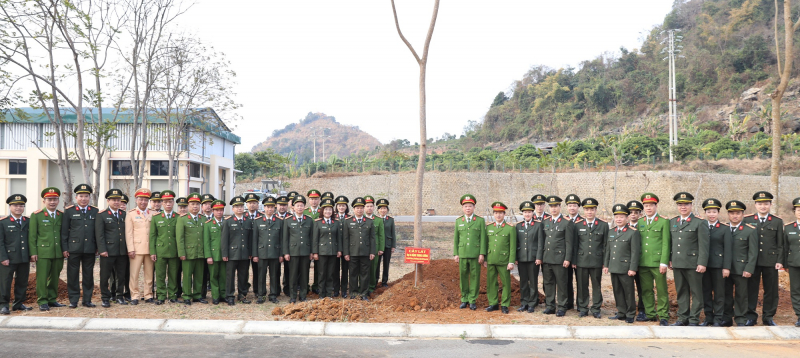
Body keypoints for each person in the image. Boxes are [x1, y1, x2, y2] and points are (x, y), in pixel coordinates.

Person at [743, 191, 784, 326]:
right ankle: (751, 316)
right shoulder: (747, 220)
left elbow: (780, 244)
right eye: (760, 204)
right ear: (755, 205)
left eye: (766, 204)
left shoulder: (777, 221)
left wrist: (779, 260)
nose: (763, 206)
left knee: (771, 290)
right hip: (752, 262)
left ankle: (768, 317)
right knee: (751, 289)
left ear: (770, 204)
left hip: (770, 261)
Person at [669, 192, 710, 326]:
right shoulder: (673, 222)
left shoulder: (700, 223)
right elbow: (671, 243)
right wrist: (670, 258)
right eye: (680, 205)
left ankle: (694, 319)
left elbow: (704, 245)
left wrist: (702, 263)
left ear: (691, 205)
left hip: (693, 264)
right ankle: (682, 318)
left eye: (686, 204)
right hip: (677, 263)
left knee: (697, 293)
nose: (683, 207)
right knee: (681, 292)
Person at [61, 184, 99, 308]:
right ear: (76, 197)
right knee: (72, 275)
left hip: (90, 248)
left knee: (88, 275)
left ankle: (87, 300)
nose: (83, 199)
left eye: (86, 196)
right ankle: (73, 300)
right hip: (73, 249)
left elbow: (98, 231)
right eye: (81, 196)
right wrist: (65, 248)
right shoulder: (69, 211)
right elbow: (64, 231)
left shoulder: (95, 211)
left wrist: (98, 247)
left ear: (90, 198)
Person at [637, 193, 671, 326]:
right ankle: (650, 314)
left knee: (661, 290)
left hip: (658, 262)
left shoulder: (663, 221)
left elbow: (666, 243)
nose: (648, 208)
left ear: (656, 206)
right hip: (643, 262)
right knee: (646, 290)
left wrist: (664, 262)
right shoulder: (640, 222)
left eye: (651, 205)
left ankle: (663, 315)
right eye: (646, 206)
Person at [722, 200, 757, 326]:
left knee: (741, 295)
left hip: (741, 268)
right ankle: (726, 318)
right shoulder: (723, 228)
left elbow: (753, 252)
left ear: (743, 214)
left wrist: (749, 268)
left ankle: (741, 318)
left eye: (738, 213)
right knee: (726, 294)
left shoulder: (750, 230)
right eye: (732, 213)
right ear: (728, 215)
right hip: (725, 268)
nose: (734, 216)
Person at [29, 187, 65, 311]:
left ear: (58, 200)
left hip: (58, 252)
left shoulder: (61, 215)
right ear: (44, 201)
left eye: (55, 199)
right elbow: (32, 235)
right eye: (49, 199)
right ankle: (42, 300)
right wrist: (33, 252)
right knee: (42, 277)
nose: (52, 202)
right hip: (43, 252)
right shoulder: (36, 215)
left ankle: (52, 299)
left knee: (55, 276)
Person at [604, 204, 641, 324]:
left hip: (626, 268)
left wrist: (633, 268)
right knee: (617, 291)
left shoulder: (632, 232)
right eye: (617, 217)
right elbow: (608, 250)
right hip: (614, 266)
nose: (619, 219)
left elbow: (635, 252)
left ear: (627, 218)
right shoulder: (611, 232)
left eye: (621, 217)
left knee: (628, 292)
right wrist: (606, 265)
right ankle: (621, 312)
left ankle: (630, 314)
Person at [538, 195, 574, 317]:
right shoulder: (545, 222)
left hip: (560, 259)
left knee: (562, 284)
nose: (553, 209)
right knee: (548, 283)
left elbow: (569, 243)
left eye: (556, 206)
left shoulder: (566, 222)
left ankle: (562, 307)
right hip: (547, 258)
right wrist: (541, 257)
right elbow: (542, 241)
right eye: (551, 206)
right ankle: (550, 306)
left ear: (560, 207)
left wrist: (568, 258)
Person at [574, 198, 607, 319]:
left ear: (595, 210)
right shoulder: (578, 225)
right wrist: (574, 261)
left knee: (596, 286)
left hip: (596, 261)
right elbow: (575, 245)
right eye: (587, 209)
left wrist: (605, 262)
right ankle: (583, 308)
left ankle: (596, 308)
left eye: (592, 209)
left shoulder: (603, 225)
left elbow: (605, 245)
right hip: (581, 260)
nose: (589, 212)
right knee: (582, 285)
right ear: (583, 210)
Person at [701, 198, 732, 326]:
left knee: (719, 293)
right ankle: (708, 317)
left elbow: (728, 250)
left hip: (719, 266)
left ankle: (718, 318)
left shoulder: (724, 228)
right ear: (705, 213)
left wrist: (726, 267)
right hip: (704, 265)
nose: (711, 214)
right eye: (709, 212)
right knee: (706, 292)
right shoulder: (701, 226)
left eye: (714, 212)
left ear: (718, 213)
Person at [95, 189, 128, 308]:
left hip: (121, 250)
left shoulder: (124, 214)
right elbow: (100, 234)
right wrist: (102, 249)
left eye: (118, 200)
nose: (116, 202)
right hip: (107, 251)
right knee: (105, 275)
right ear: (108, 201)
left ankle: (119, 296)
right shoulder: (102, 215)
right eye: (114, 200)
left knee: (121, 275)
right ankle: (105, 297)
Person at [0, 194, 32, 314]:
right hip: (8, 258)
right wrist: (3, 257)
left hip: (24, 256)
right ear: (10, 207)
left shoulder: (28, 221)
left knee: (22, 281)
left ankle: (18, 303)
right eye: (15, 205)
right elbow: (0, 242)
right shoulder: (3, 222)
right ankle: (3, 304)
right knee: (5, 282)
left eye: (21, 205)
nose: (18, 208)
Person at [453, 194, 486, 310]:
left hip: (475, 254)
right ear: (463, 208)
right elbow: (456, 239)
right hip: (462, 254)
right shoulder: (458, 221)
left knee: (475, 277)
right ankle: (464, 299)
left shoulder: (480, 221)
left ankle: (472, 300)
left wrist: (482, 254)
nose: (468, 208)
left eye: (470, 206)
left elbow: (483, 238)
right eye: (466, 206)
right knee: (463, 277)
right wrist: (456, 254)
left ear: (474, 207)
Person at [484, 202, 516, 314]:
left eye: (500, 213)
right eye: (496, 213)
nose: (498, 215)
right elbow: (486, 244)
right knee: (491, 282)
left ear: (504, 214)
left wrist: (511, 261)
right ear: (493, 214)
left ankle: (505, 304)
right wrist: (485, 259)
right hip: (491, 259)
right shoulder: (488, 227)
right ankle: (493, 303)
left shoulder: (510, 228)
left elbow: (512, 247)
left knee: (506, 283)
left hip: (504, 261)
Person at [150, 190, 180, 304]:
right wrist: (152, 252)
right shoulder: (156, 217)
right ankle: (161, 296)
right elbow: (153, 236)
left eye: (170, 201)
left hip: (174, 251)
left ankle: (172, 295)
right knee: (160, 275)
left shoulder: (178, 217)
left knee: (173, 275)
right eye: (166, 201)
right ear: (162, 203)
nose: (168, 204)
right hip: (160, 251)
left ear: (173, 203)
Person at [343, 197, 376, 301]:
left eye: (361, 208)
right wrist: (346, 253)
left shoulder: (369, 221)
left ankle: (364, 293)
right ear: (353, 209)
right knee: (352, 273)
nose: (360, 210)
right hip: (352, 252)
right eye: (357, 208)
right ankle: (353, 293)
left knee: (365, 274)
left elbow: (372, 238)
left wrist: (372, 252)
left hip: (365, 252)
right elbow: (346, 239)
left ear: (364, 209)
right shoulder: (348, 221)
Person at [221, 196, 253, 305]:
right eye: (237, 207)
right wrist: (224, 253)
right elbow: (224, 239)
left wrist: (251, 253)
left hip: (244, 253)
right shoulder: (228, 222)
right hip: (232, 254)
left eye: (241, 206)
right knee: (230, 276)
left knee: (243, 275)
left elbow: (250, 239)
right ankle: (230, 296)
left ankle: (242, 295)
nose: (239, 208)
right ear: (233, 209)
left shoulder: (248, 221)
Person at [126, 188, 155, 305]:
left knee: (149, 274)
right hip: (136, 249)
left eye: (145, 200)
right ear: (136, 200)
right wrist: (130, 249)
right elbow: (129, 233)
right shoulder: (131, 214)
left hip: (150, 249)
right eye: (141, 199)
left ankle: (148, 295)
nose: (143, 202)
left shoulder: (153, 213)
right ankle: (135, 295)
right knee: (134, 274)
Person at [282, 195, 313, 303]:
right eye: (297, 205)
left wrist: (312, 252)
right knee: (293, 275)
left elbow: (312, 237)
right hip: (293, 252)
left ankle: (303, 295)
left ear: (305, 207)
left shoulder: (309, 220)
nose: (299, 207)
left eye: (301, 205)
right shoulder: (288, 220)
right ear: (293, 207)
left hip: (305, 251)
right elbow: (285, 238)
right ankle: (293, 296)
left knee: (305, 275)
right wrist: (286, 252)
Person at [177, 193, 207, 305]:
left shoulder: (203, 219)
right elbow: (180, 238)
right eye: (192, 204)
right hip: (188, 253)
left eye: (197, 204)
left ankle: (197, 295)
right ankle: (186, 296)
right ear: (188, 205)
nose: (195, 206)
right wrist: (181, 252)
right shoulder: (183, 219)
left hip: (200, 252)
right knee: (187, 275)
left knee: (199, 275)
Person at [252, 196, 283, 304]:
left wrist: (281, 254)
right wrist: (255, 254)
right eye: (267, 207)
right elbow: (255, 239)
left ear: (274, 208)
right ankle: (261, 295)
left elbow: (282, 239)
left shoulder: (280, 221)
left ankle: (273, 295)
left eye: (271, 207)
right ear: (264, 208)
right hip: (262, 253)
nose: (270, 209)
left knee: (274, 275)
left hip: (275, 253)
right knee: (261, 275)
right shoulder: (257, 221)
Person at [515, 201, 543, 313]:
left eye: (529, 212)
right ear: (522, 213)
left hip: (533, 258)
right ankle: (524, 302)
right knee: (523, 282)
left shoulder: (538, 225)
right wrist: (516, 258)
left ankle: (532, 303)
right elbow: (516, 243)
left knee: (533, 281)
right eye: (525, 212)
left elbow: (540, 243)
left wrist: (539, 257)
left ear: (533, 213)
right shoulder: (518, 226)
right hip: (521, 258)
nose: (527, 214)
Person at [312, 198, 341, 299]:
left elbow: (339, 238)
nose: (328, 211)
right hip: (322, 252)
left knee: (330, 274)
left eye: (330, 210)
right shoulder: (318, 222)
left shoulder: (336, 223)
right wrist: (315, 252)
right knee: (322, 273)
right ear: (322, 211)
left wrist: (339, 250)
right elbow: (315, 239)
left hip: (333, 251)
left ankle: (328, 294)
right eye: (326, 210)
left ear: (332, 211)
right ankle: (321, 293)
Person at [203, 200, 226, 305]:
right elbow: (206, 241)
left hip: (224, 255)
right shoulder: (208, 224)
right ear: (213, 211)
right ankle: (215, 296)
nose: (219, 212)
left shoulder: (226, 222)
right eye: (217, 210)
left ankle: (223, 295)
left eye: (221, 210)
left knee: (223, 276)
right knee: (213, 277)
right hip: (213, 255)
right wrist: (208, 256)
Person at [626, 200, 647, 321]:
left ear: (640, 214)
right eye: (630, 212)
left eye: (636, 212)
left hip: (641, 262)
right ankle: (628, 309)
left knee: (642, 288)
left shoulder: (644, 226)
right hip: (627, 263)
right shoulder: (624, 227)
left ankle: (642, 310)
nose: (633, 214)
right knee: (628, 289)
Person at [363, 195, 385, 294]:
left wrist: (381, 248)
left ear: (374, 207)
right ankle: (362, 286)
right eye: (367, 206)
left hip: (374, 248)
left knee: (373, 268)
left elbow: (381, 235)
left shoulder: (378, 220)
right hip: (362, 248)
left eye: (371, 206)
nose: (369, 208)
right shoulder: (360, 218)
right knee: (362, 269)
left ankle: (371, 287)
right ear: (364, 207)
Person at [785, 197, 800, 327]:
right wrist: (785, 264)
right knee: (795, 290)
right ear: (794, 211)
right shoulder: (789, 228)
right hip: (794, 264)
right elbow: (784, 247)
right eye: (798, 209)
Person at [374, 199, 395, 288]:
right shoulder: (375, 219)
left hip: (387, 245)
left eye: (385, 208)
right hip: (378, 246)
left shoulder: (390, 220)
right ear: (378, 210)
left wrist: (393, 246)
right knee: (376, 264)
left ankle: (384, 281)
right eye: (381, 208)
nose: (383, 210)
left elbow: (393, 233)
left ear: (387, 210)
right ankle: (375, 281)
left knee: (386, 264)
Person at [243, 193, 261, 300]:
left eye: (254, 203)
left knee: (257, 270)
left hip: (258, 249)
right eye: (250, 203)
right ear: (246, 205)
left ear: (258, 205)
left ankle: (257, 290)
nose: (252, 205)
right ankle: (244, 290)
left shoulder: (262, 216)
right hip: (245, 248)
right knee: (244, 271)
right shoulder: (243, 216)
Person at [305, 189, 322, 294]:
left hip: (320, 244)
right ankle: (305, 286)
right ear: (309, 200)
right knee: (305, 267)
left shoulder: (323, 211)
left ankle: (316, 285)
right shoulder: (305, 212)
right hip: (306, 243)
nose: (314, 201)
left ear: (319, 200)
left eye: (316, 199)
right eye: (312, 199)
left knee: (319, 267)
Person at [199, 194, 215, 300]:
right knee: (202, 274)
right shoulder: (199, 219)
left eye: (210, 204)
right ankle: (202, 294)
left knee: (214, 274)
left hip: (214, 251)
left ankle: (216, 294)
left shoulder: (220, 219)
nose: (208, 206)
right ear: (202, 206)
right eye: (205, 204)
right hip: (201, 251)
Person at [334, 195, 350, 298]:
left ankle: (344, 290)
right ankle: (335, 290)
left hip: (346, 248)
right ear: (336, 207)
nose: (341, 207)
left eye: (343, 206)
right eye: (339, 206)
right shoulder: (332, 217)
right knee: (335, 270)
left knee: (345, 270)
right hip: (335, 248)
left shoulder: (350, 218)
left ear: (346, 207)